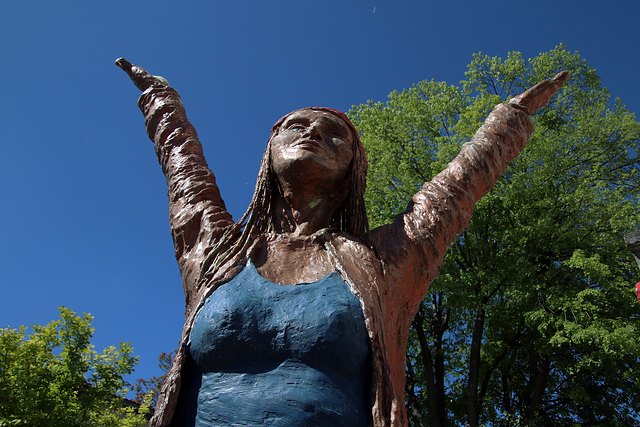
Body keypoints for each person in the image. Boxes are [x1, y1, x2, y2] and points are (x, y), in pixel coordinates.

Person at [116, 58, 568, 426]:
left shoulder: (381, 263)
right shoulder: (218, 255)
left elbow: (454, 191)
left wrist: (510, 120)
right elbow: (185, 173)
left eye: (334, 135)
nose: (312, 132)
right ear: (269, 153)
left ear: (351, 172)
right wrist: (161, 100)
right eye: (296, 125)